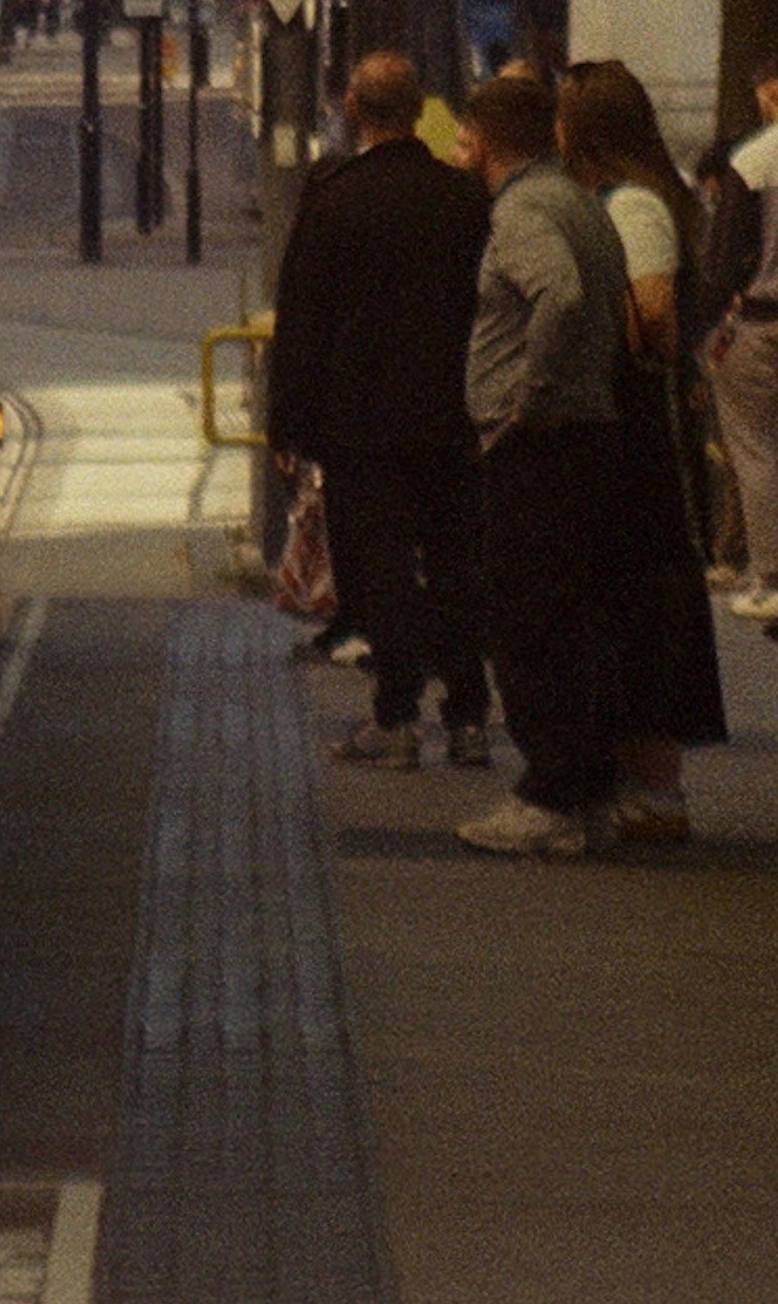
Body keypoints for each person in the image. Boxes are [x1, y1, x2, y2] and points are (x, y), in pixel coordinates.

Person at [265, 47, 494, 769]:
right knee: (456, 563)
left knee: (380, 567)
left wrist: (288, 427)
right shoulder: (464, 199)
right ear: (421, 105)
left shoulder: (335, 198)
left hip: (359, 423)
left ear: (354, 111)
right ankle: (469, 716)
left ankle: (395, 715)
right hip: (453, 414)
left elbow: (302, 320)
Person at [454, 64, 634, 860]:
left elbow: (555, 294)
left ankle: (548, 792)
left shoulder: (523, 209)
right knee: (578, 616)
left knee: (528, 620)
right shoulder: (579, 203)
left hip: (539, 443)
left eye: (464, 135)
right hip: (590, 436)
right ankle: (586, 785)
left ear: (485, 139)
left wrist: (532, 393)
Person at [558, 55, 731, 841]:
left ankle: (656, 787)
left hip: (641, 442)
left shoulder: (634, 208)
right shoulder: (627, 199)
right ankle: (637, 775)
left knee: (647, 601)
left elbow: (651, 312)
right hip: (626, 435)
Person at [699, 50, 778, 607]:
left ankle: (769, 575)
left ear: (773, 93)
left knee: (756, 452)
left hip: (758, 316)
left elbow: (726, 259)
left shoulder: (755, 158)